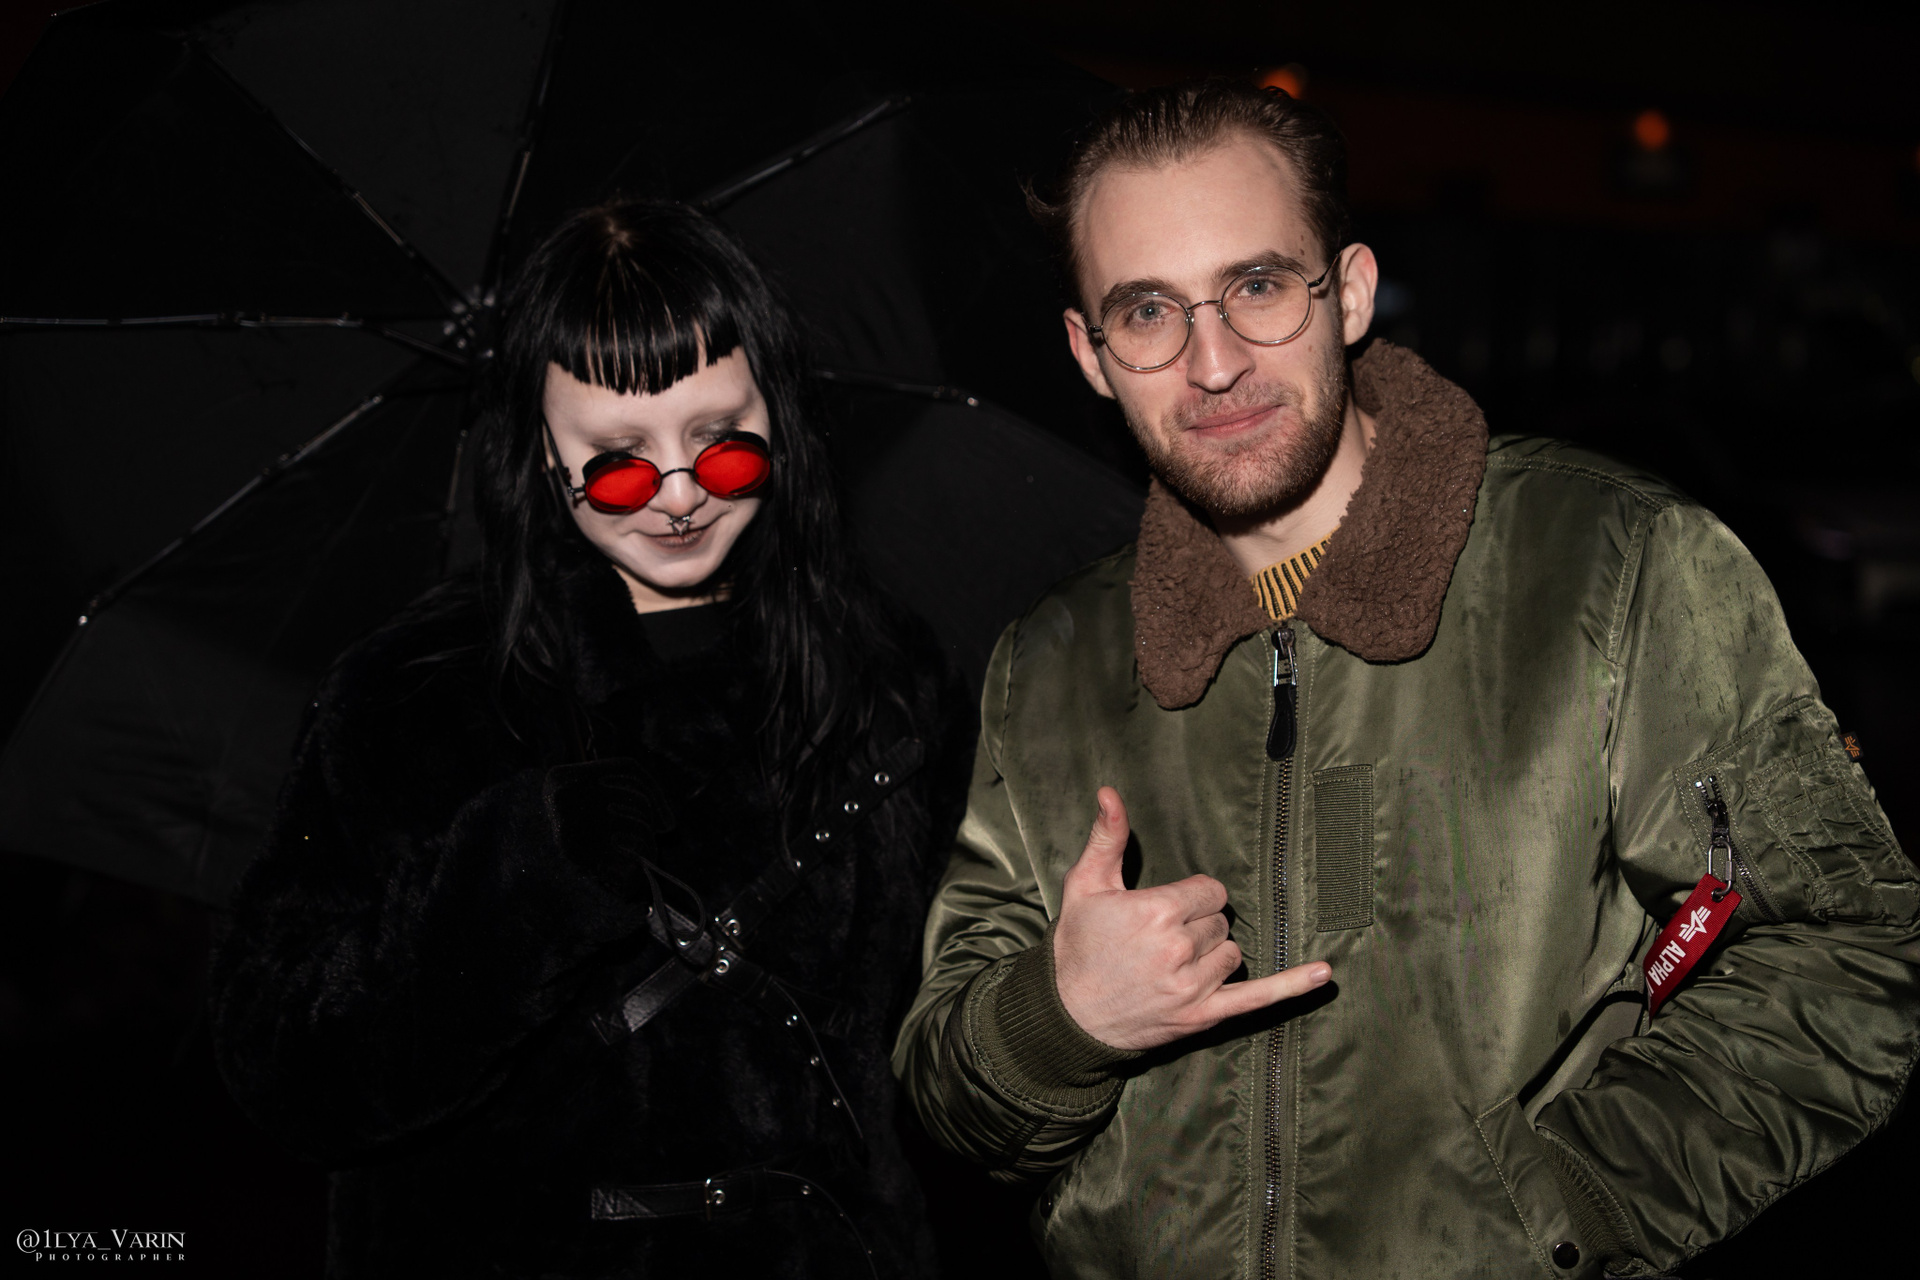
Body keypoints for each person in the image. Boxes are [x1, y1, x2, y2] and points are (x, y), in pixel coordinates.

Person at [893, 79, 1919, 1280]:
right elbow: (946, 1094)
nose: (1212, 363)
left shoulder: (1615, 563)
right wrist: (1060, 1018)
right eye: (1149, 311)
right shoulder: (1051, 661)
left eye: (1258, 287)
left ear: (1352, 292)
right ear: (1090, 352)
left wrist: (1560, 1209)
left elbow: (1843, 948)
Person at [211, 199, 969, 1278]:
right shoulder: (411, 695)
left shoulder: (888, 674)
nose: (678, 496)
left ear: (780, 417)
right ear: (543, 454)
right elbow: (289, 1071)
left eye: (722, 444)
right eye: (618, 462)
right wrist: (512, 884)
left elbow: (937, 1032)